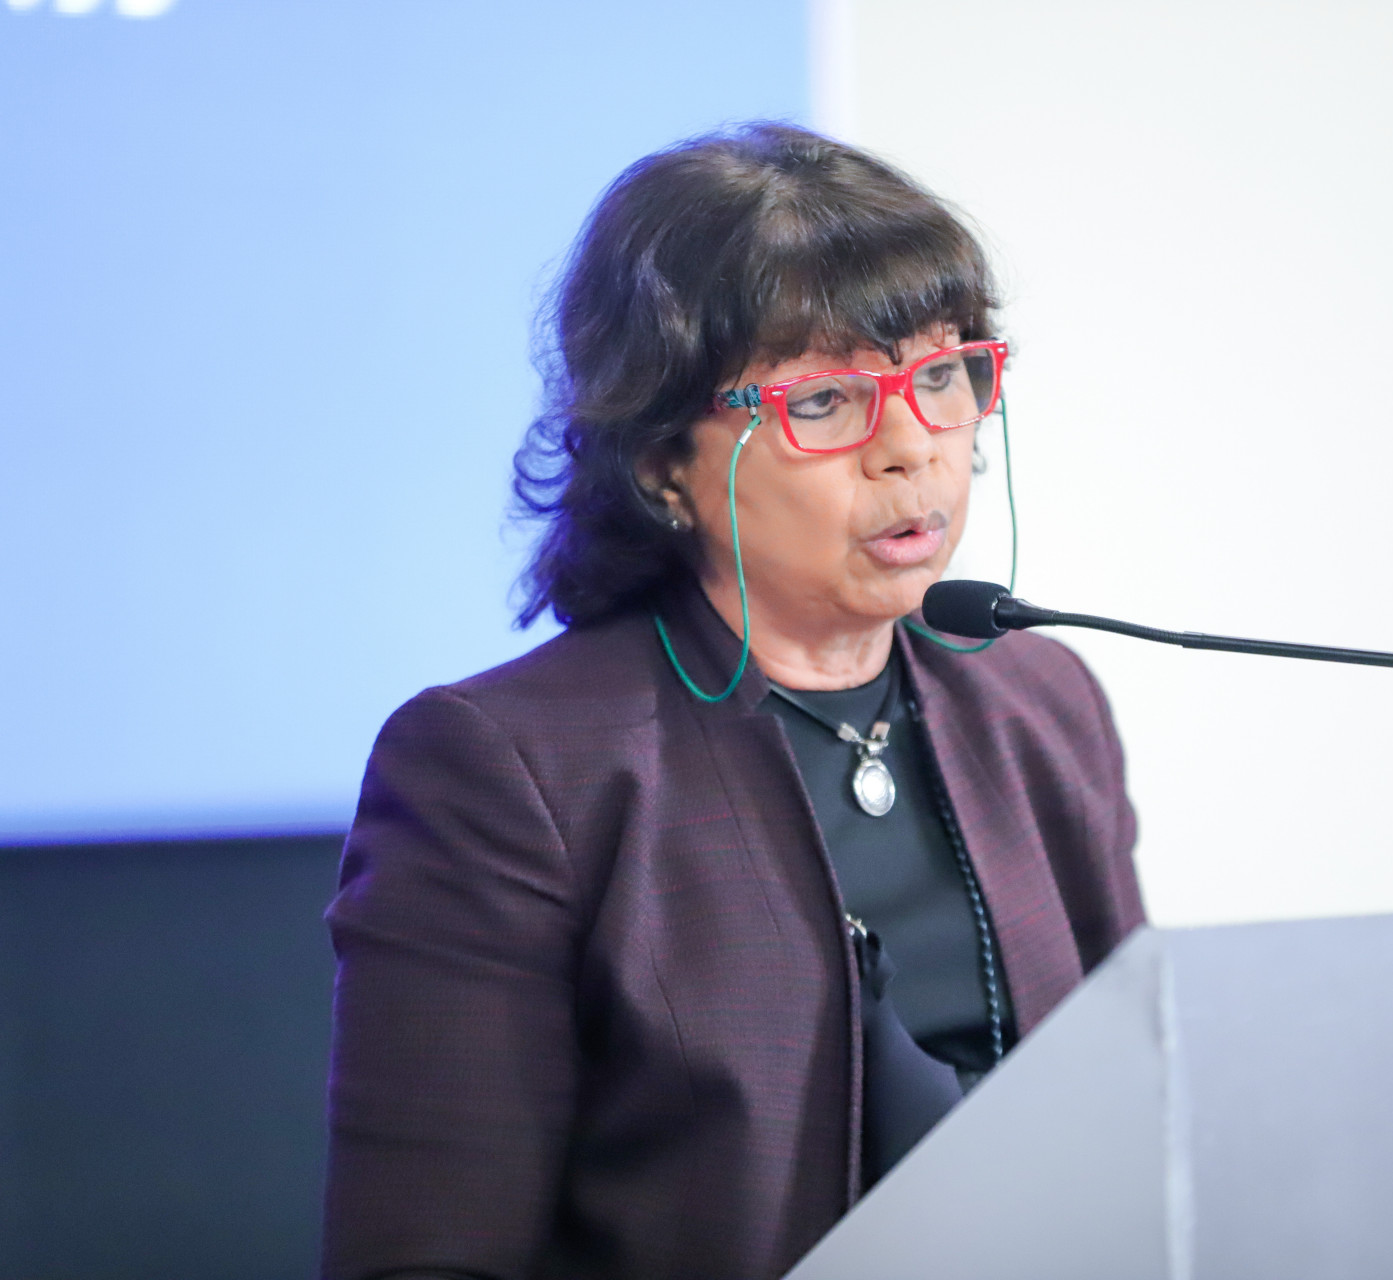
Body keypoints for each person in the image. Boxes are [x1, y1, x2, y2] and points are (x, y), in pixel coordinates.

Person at [321, 122, 1143, 1280]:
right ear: (664, 460)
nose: (911, 447)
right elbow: (427, 1258)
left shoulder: (1038, 705)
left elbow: (1142, 1122)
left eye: (941, 375)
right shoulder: (507, 769)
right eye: (826, 399)